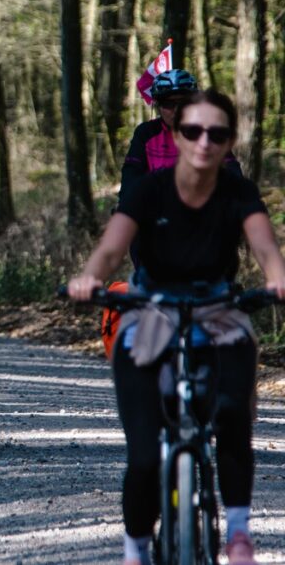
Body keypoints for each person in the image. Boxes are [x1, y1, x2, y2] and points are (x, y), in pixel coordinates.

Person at [68, 90, 285, 565]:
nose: (204, 142)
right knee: (144, 455)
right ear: (176, 135)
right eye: (193, 131)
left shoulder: (237, 192)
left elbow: (265, 248)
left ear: (229, 142)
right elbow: (110, 250)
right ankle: (135, 553)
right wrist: (90, 278)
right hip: (150, 309)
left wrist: (277, 280)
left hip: (218, 310)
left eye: (218, 134)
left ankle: (240, 532)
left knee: (232, 418)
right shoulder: (150, 190)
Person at [121, 69, 239, 199]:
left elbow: (232, 172)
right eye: (168, 104)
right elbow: (131, 175)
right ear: (158, 106)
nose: (176, 110)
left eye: (183, 103)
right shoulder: (146, 133)